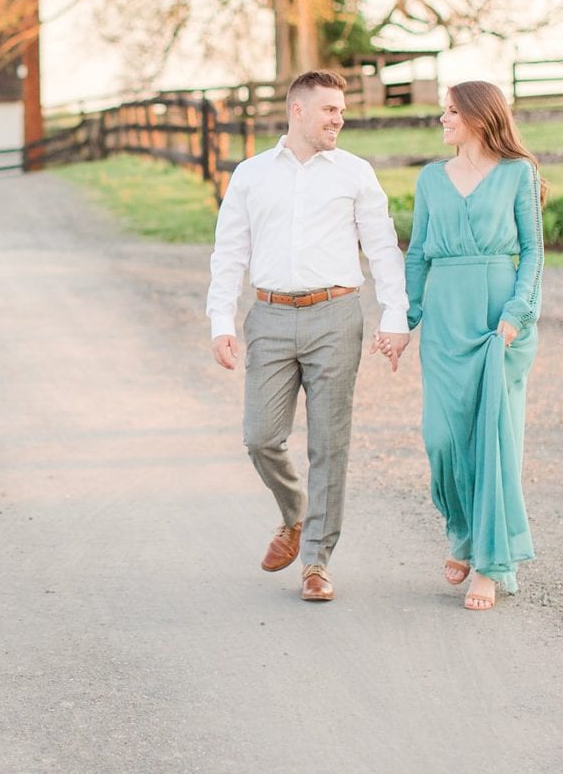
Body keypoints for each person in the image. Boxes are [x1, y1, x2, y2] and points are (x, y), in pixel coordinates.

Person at [206, 70, 410, 603]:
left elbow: (383, 248)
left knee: (329, 443)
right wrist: (221, 321)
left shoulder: (355, 173)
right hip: (270, 317)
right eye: (329, 110)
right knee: (259, 436)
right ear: (298, 110)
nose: (338, 119)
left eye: (341, 110)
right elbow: (229, 253)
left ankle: (316, 560)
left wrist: (395, 315)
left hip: (336, 315)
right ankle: (295, 513)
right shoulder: (250, 175)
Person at [404, 79, 544, 611]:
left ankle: (488, 563)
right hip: (444, 319)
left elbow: (532, 251)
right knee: (441, 436)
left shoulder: (517, 174)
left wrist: (516, 313)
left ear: (480, 117)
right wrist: (406, 318)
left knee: (493, 440)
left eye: (451, 112)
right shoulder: (430, 179)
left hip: (497, 323)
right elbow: (417, 253)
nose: (443, 120)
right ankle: (460, 530)